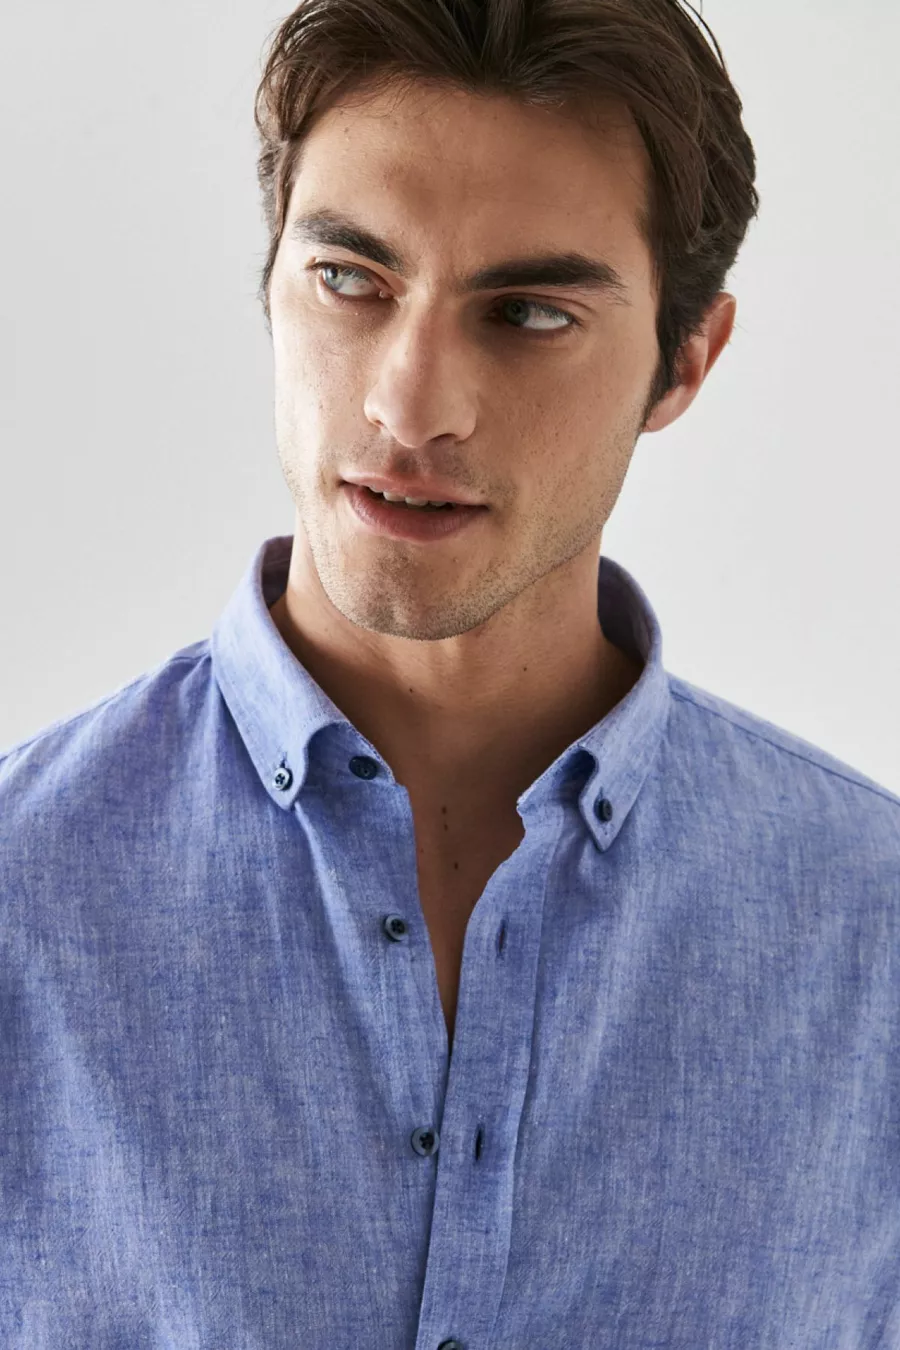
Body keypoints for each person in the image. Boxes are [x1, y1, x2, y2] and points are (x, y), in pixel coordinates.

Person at [2, 0, 898, 1344]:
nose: (410, 405)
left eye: (527, 312)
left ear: (685, 362)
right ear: (271, 282)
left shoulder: (872, 936)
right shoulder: (22, 898)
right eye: (349, 280)